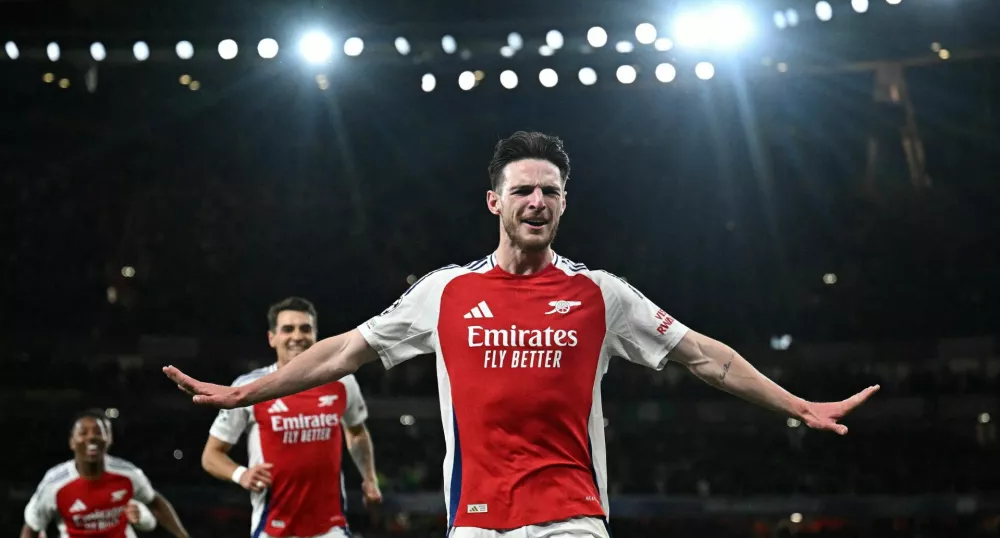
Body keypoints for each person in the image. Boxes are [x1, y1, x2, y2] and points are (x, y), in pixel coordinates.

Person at [165, 131, 879, 538]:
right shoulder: (446, 291)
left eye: (549, 191)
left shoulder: (602, 294)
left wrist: (798, 405)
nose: (536, 201)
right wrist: (247, 391)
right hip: (477, 519)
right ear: (494, 201)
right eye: (523, 190)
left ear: (564, 204)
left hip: (574, 515)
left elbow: (705, 358)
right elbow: (344, 350)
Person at [200, 297, 382, 538]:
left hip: (331, 528)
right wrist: (241, 474)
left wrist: (369, 479)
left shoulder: (342, 381)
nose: (297, 336)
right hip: (273, 528)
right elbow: (211, 455)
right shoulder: (249, 388)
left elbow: (356, 432)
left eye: (305, 328)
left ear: (315, 335)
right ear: (272, 338)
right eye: (288, 329)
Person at [22, 408, 190, 538]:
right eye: (83, 433)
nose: (91, 437)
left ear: (109, 438)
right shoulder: (54, 483)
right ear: (72, 442)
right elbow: (32, 528)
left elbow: (155, 503)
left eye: (98, 432)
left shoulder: (128, 473)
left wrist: (183, 536)